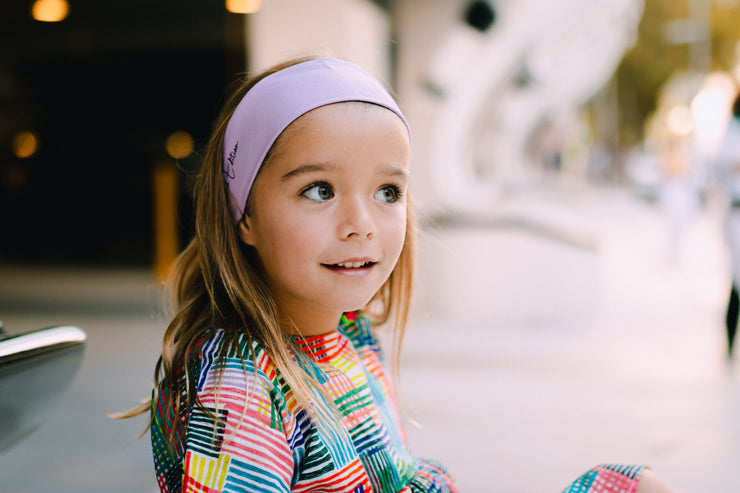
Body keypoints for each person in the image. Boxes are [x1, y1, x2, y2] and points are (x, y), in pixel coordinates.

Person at [123, 56, 673, 492]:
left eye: (388, 191)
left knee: (636, 484)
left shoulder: (352, 335)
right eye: (319, 190)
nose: (360, 224)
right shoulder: (242, 385)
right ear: (244, 215)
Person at [714, 90, 740, 357]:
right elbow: (723, 165)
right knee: (738, 278)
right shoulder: (731, 130)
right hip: (736, 214)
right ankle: (730, 341)